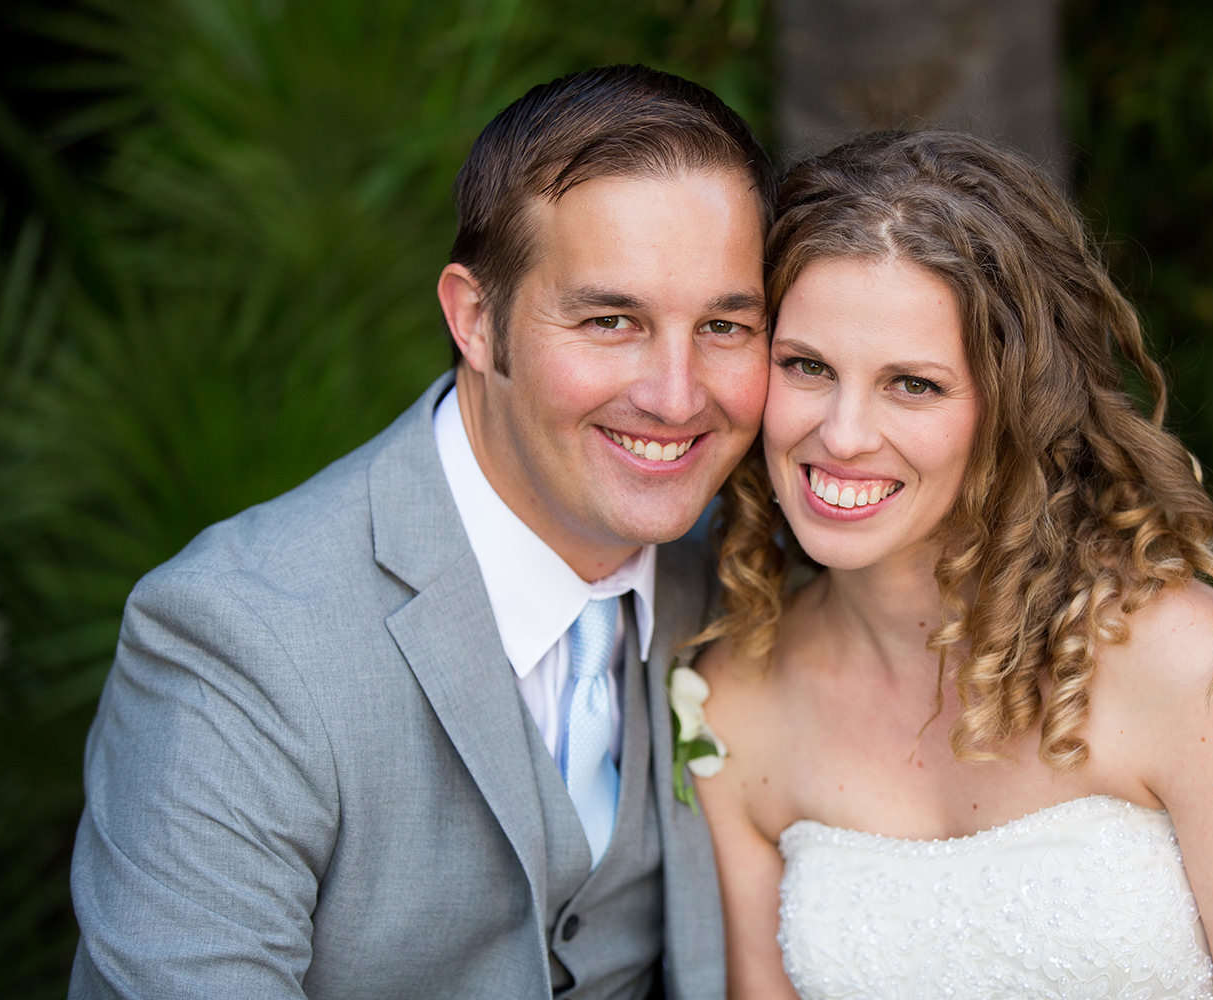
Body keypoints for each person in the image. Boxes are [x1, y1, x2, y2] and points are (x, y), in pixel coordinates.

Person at [68, 64, 774, 999]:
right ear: (477, 320)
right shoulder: (236, 642)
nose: (677, 396)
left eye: (725, 327)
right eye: (612, 321)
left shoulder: (748, 573)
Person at [692, 130, 1213, 999]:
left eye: (915, 384)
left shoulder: (1183, 663)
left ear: (1017, 405)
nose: (844, 433)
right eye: (806, 367)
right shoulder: (734, 707)